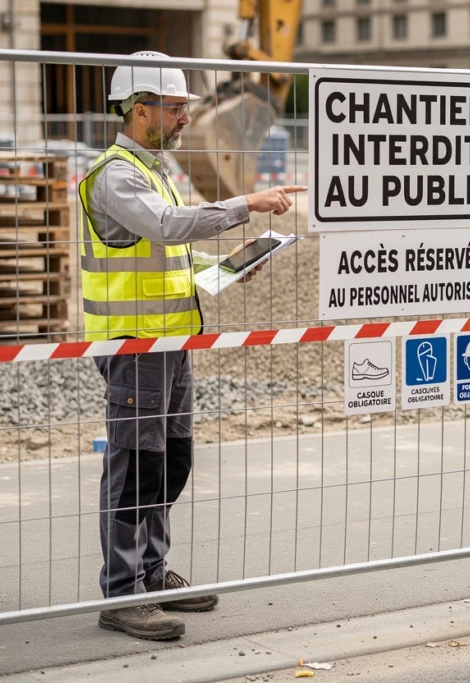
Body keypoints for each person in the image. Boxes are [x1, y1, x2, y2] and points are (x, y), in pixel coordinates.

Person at [81, 50, 306, 641]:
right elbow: (168, 227)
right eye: (176, 108)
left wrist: (226, 268)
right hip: (133, 345)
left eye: (184, 108)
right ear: (139, 108)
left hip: (170, 342)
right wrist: (247, 204)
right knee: (134, 468)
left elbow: (169, 253)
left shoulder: (152, 168)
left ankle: (152, 576)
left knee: (168, 460)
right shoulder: (116, 174)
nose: (185, 118)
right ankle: (123, 593)